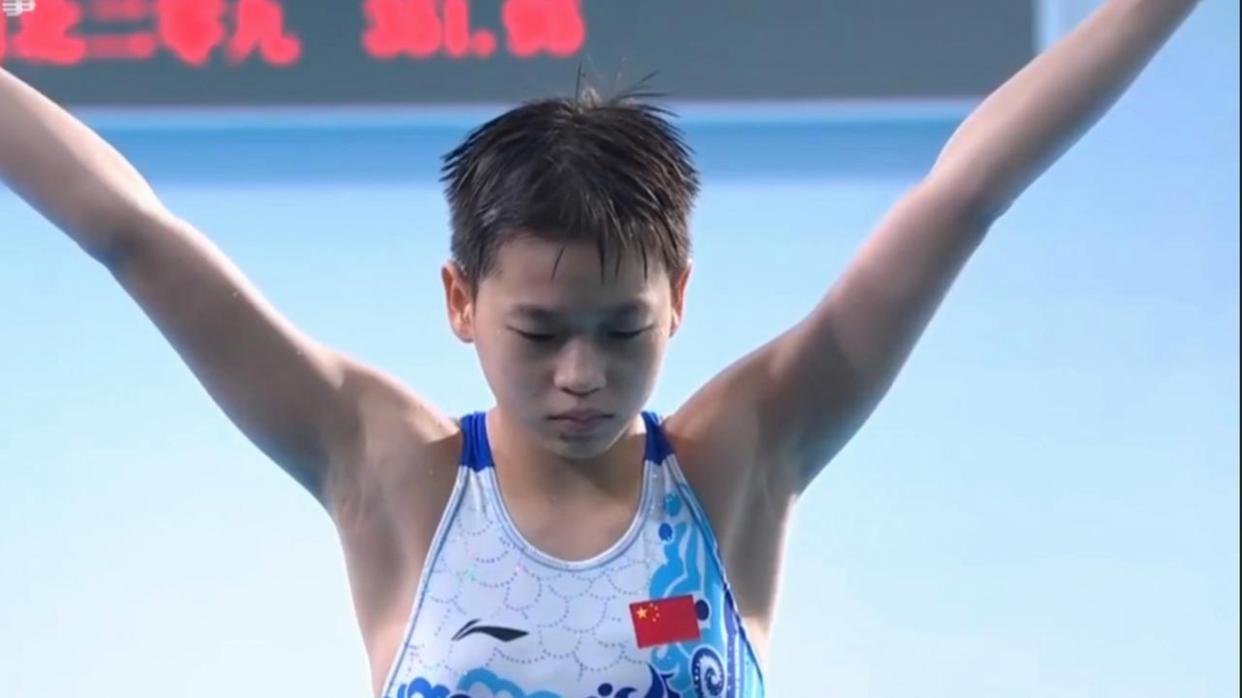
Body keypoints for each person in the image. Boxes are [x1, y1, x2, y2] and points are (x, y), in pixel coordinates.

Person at [0, 1, 1201, 696]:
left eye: (622, 331)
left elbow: (967, 191)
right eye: (537, 332)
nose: (581, 375)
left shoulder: (739, 460)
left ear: (678, 299)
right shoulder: (393, 473)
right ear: (460, 299)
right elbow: (133, 235)